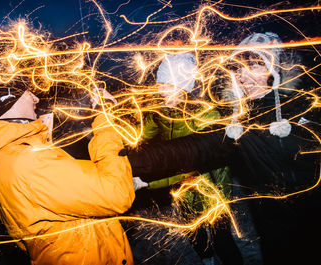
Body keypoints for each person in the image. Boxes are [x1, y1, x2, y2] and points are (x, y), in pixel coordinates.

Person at [126, 32, 320, 264]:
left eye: (256, 65)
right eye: (238, 69)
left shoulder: (305, 110)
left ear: (274, 70)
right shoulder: (239, 122)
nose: (243, 76)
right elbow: (193, 149)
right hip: (270, 223)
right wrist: (131, 164)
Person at [0, 85, 135, 265]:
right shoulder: (27, 162)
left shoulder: (1, 155)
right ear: (8, 102)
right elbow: (116, 193)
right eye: (26, 94)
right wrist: (105, 120)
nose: (35, 98)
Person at [127, 52, 242, 265]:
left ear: (185, 87)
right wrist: (106, 122)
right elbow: (138, 133)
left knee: (222, 239)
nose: (162, 91)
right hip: (184, 191)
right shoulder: (162, 112)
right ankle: (207, 261)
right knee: (195, 234)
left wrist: (147, 181)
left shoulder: (206, 116)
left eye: (169, 86)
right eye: (161, 84)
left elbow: (192, 164)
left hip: (212, 191)